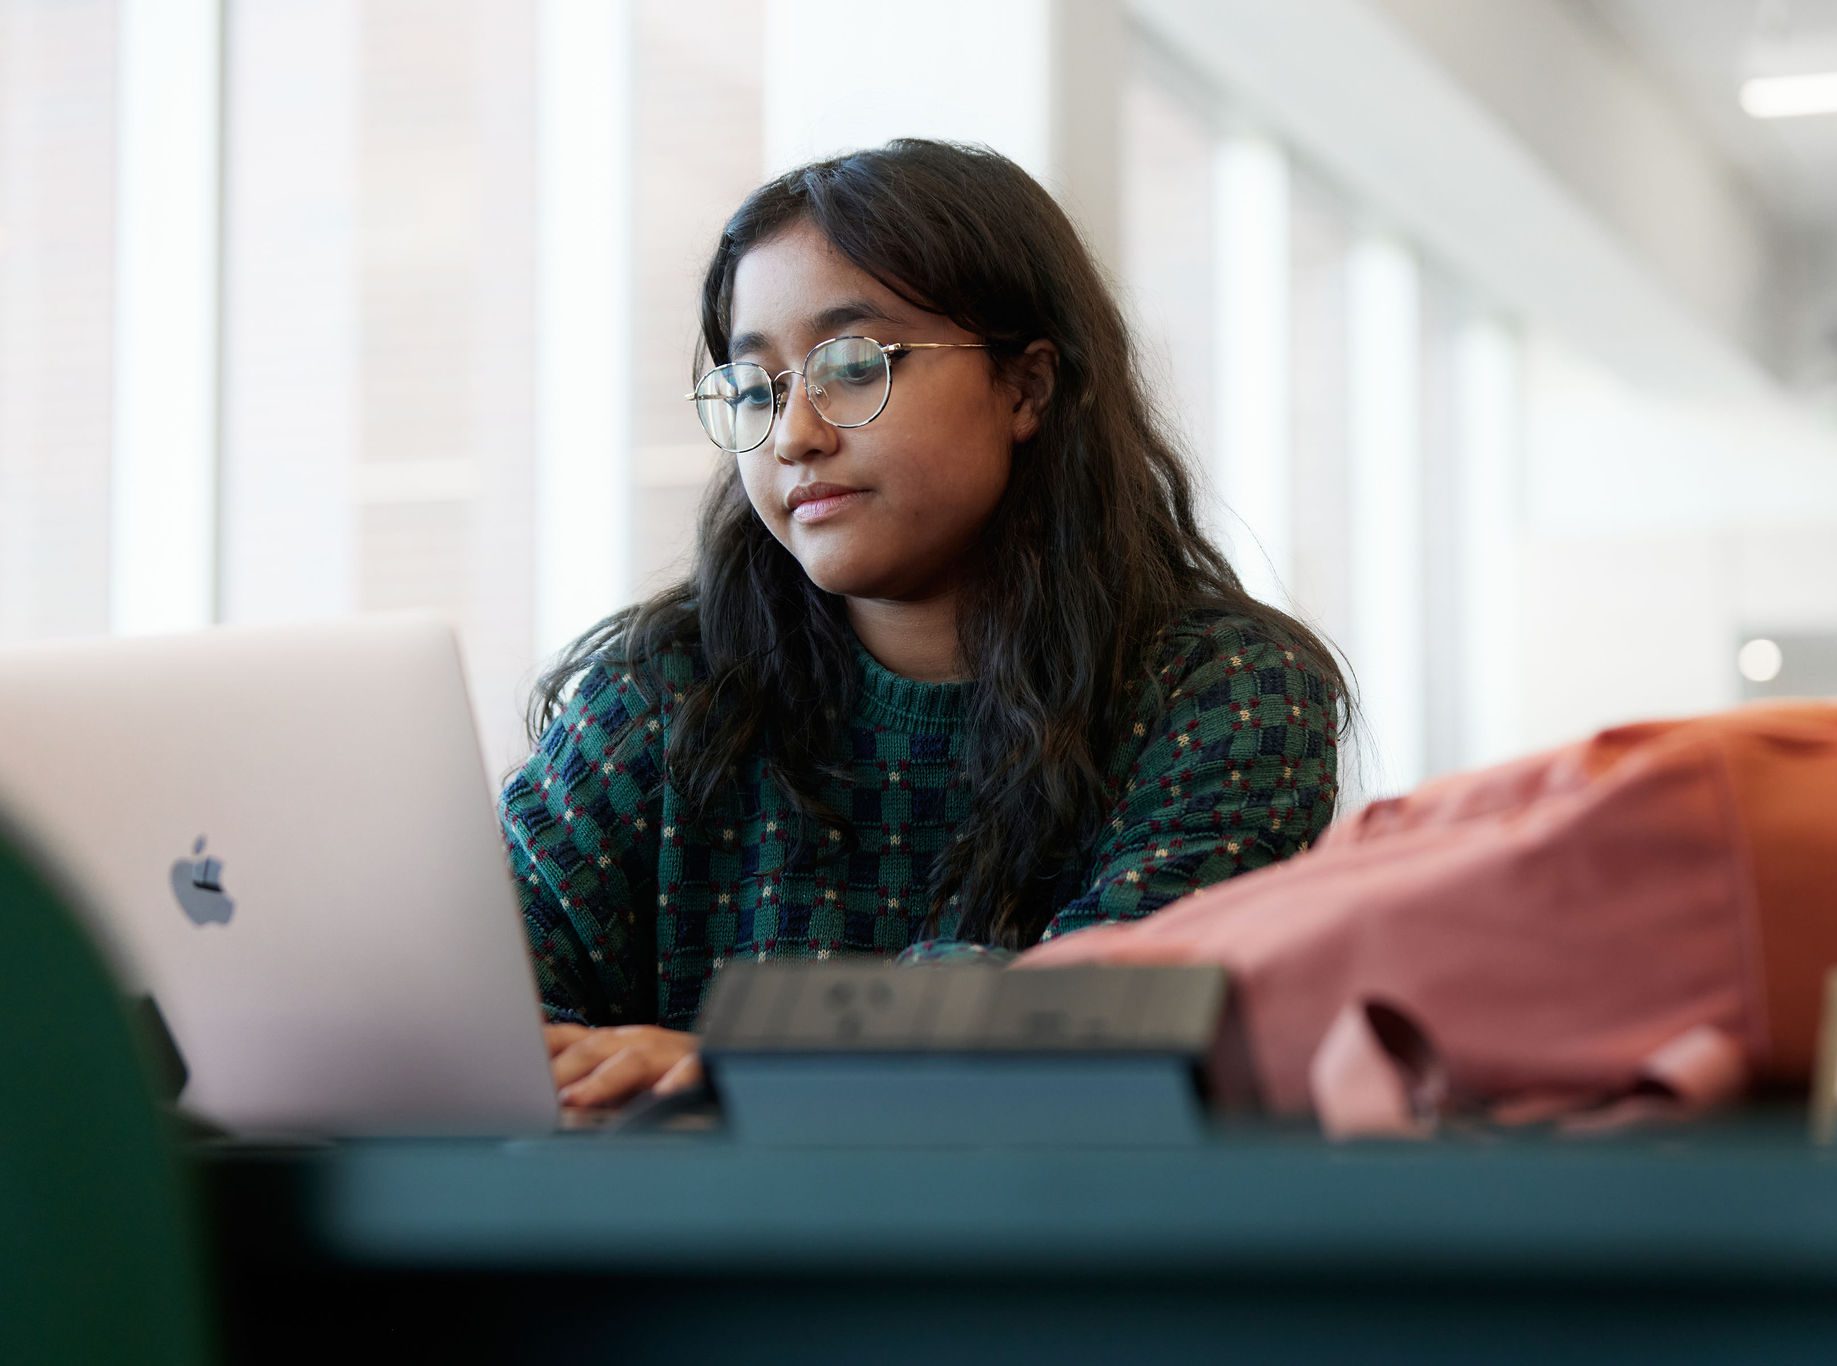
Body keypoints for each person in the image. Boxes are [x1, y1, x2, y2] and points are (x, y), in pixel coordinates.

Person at [498, 139, 1359, 1113]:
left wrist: (739, 1071)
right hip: (678, 1251)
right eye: (755, 388)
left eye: (854, 367)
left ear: (1025, 387)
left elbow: (1109, 1019)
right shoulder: (658, 692)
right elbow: (478, 1003)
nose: (794, 436)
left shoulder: (1226, 692)